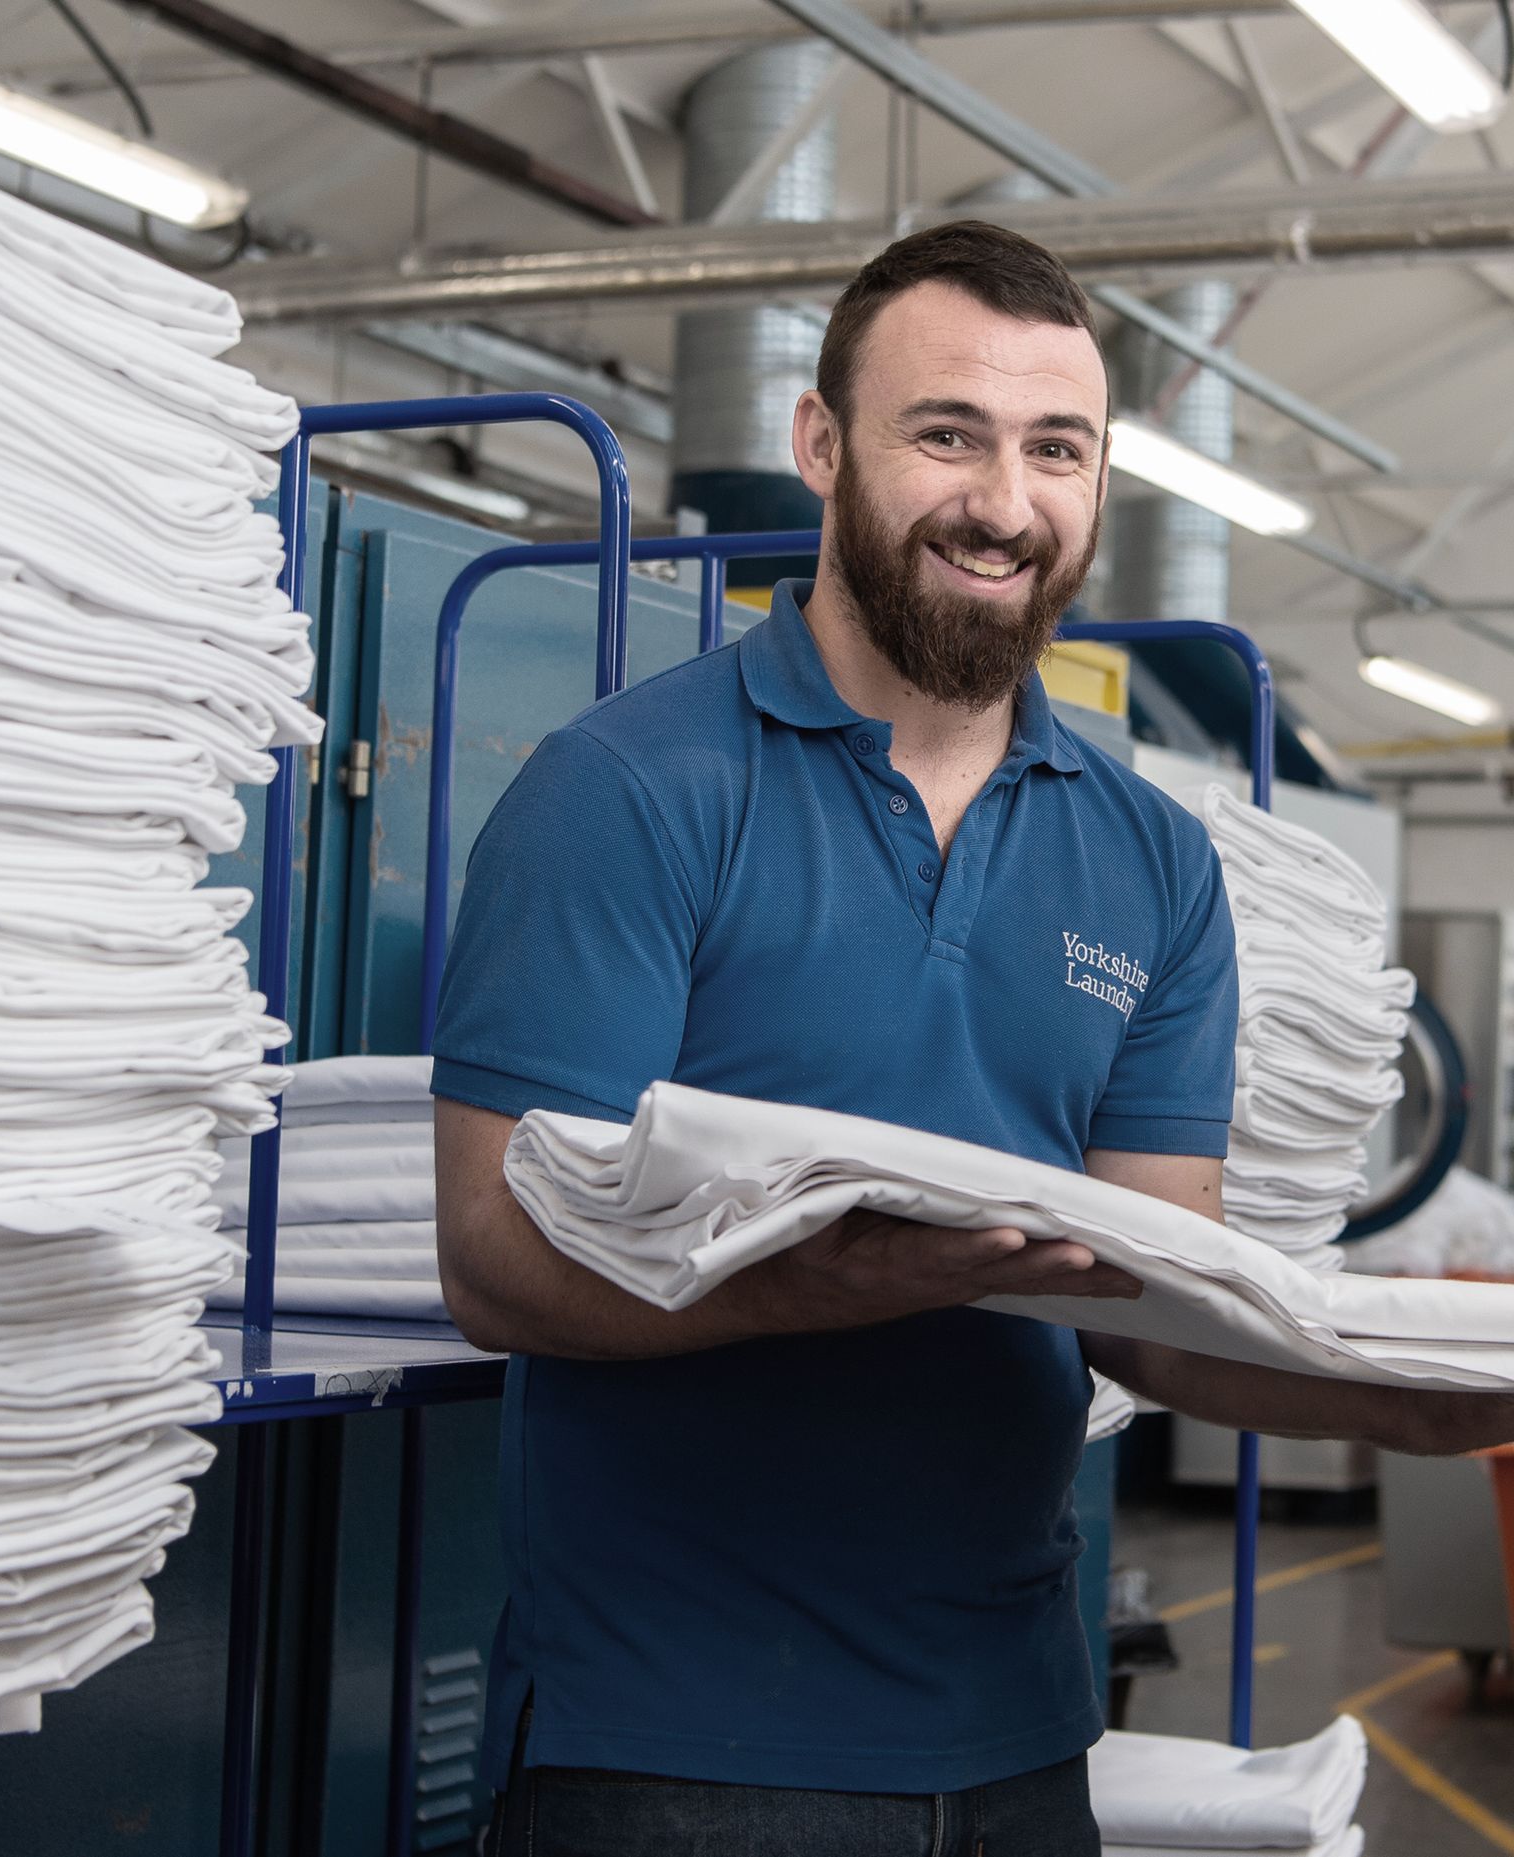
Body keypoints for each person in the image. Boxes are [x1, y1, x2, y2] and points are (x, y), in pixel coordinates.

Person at [429, 221, 1514, 1857]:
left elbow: (1158, 1311)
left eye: (1055, 450)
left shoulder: (1149, 859)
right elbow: (491, 1256)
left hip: (1017, 1737)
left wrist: (1410, 1395)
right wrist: (822, 1278)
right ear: (821, 444)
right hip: (674, 1742)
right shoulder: (631, 790)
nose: (1004, 504)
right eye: (948, 434)